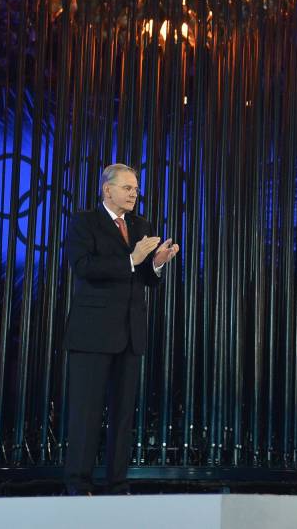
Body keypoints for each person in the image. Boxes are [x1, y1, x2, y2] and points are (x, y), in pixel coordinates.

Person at [62, 163, 179, 495]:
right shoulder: (85, 222)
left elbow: (143, 280)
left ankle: (117, 483)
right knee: (85, 413)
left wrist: (156, 263)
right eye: (127, 188)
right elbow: (83, 267)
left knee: (124, 415)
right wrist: (132, 258)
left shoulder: (141, 225)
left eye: (136, 188)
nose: (134, 193)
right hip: (92, 332)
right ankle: (78, 483)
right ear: (107, 189)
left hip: (130, 333)